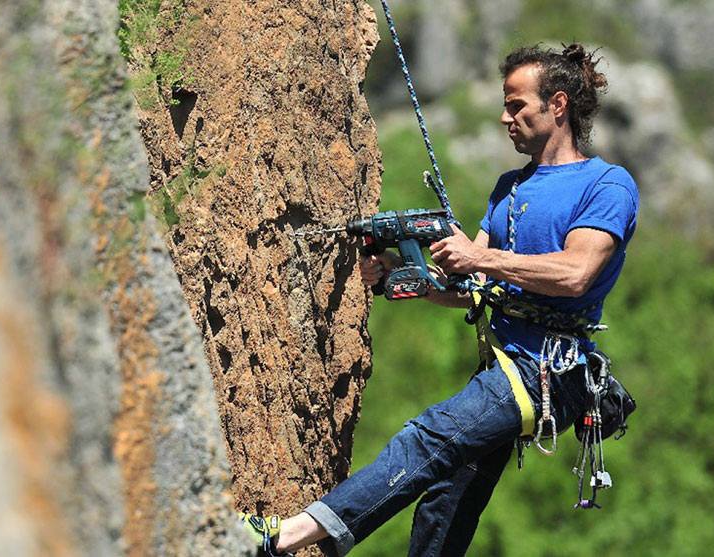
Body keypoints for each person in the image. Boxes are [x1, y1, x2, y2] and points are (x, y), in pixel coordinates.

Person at [240, 42, 639, 556]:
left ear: (557, 105)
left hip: (550, 370)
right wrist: (399, 278)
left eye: (517, 105)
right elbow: (473, 285)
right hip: (504, 365)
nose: (504, 117)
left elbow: (576, 273)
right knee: (447, 497)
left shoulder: (607, 184)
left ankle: (281, 538)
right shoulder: (508, 190)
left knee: (424, 440)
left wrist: (479, 259)